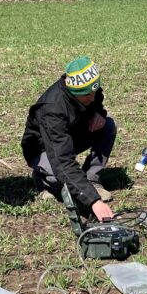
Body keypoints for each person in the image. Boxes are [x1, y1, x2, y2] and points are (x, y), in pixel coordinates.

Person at [21, 57, 117, 222]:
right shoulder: (51, 109)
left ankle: (92, 178)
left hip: (72, 135)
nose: (93, 97)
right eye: (87, 95)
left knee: (107, 125)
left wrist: (98, 113)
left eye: (95, 91)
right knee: (58, 178)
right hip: (43, 148)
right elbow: (62, 161)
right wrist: (93, 201)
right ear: (74, 92)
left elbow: (97, 101)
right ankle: (41, 178)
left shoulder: (89, 88)